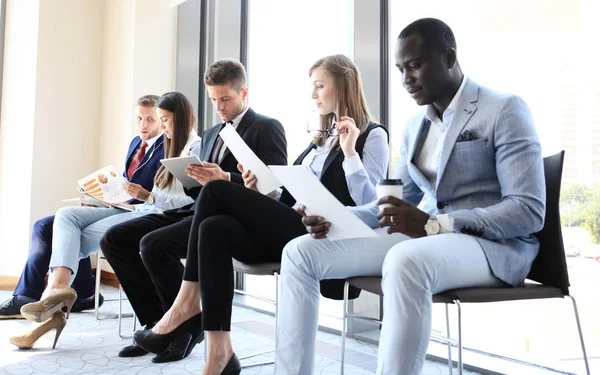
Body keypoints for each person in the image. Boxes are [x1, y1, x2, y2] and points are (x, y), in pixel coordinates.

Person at [274, 18, 546, 375]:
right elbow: (389, 203)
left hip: (494, 247)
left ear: (448, 58)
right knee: (300, 251)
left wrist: (436, 224)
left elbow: (528, 210)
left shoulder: (504, 109)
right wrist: (338, 217)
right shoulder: (416, 126)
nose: (405, 80)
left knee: (406, 260)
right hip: (426, 239)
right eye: (400, 69)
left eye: (415, 66)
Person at [133, 54, 390, 374]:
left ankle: (185, 305)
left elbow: (371, 202)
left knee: (215, 190)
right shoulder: (319, 140)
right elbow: (289, 195)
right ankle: (219, 354)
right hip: (294, 220)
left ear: (344, 84)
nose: (313, 94)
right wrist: (262, 189)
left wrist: (350, 153)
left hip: (328, 234)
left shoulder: (373, 135)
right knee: (214, 228)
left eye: (319, 86)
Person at [100, 58, 288, 363]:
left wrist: (227, 178)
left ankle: (182, 327)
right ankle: (156, 323)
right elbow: (201, 189)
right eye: (214, 100)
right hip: (196, 210)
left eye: (225, 98)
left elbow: (276, 185)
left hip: (231, 219)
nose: (220, 107)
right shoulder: (214, 133)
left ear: (245, 92)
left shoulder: (267, 127)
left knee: (153, 245)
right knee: (115, 239)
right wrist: (192, 177)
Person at [9, 92, 202, 350]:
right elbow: (151, 189)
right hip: (130, 207)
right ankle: (57, 291)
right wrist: (103, 198)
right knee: (66, 217)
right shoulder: (147, 143)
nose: (148, 125)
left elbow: (183, 197)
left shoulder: (181, 146)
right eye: (140, 119)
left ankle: (52, 308)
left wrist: (147, 196)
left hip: (148, 212)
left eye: (157, 119)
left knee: (80, 237)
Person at [0, 95, 165, 320]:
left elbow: (159, 196)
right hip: (119, 207)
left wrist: (139, 198)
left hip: (141, 213)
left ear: (161, 121)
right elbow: (125, 185)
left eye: (150, 120)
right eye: (139, 119)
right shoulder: (136, 143)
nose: (143, 125)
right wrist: (99, 199)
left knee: (64, 228)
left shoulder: (167, 147)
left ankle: (33, 297)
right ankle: (83, 292)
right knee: (46, 224)